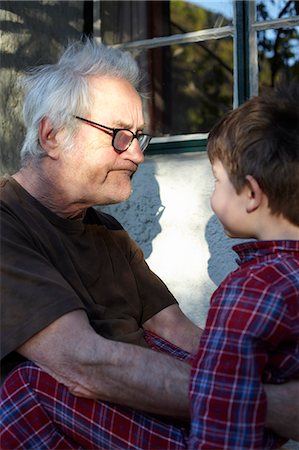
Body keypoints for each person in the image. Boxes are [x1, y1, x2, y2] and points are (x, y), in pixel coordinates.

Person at [0, 38, 298, 449]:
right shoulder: (5, 225)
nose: (137, 155)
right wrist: (268, 403)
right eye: (120, 135)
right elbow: (81, 364)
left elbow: (178, 331)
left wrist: (262, 372)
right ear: (51, 136)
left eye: (138, 137)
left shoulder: (106, 229)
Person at [189, 83, 299, 449]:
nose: (213, 194)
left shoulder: (250, 289)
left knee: (30, 386)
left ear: (251, 194)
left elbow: (219, 423)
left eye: (217, 180)